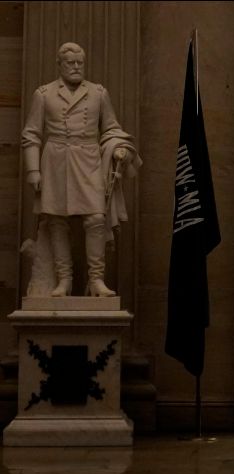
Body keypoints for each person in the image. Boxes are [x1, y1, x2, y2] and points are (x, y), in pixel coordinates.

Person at [21, 42, 142, 297]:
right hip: (55, 161)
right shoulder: (44, 94)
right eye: (70, 63)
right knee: (56, 221)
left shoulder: (98, 93)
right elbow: (31, 134)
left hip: (88, 161)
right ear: (59, 65)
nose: (76, 67)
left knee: (96, 219)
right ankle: (64, 280)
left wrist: (119, 147)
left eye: (80, 63)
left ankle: (96, 279)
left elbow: (111, 128)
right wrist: (33, 170)